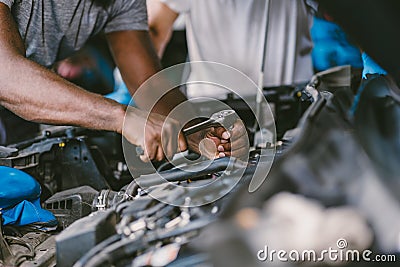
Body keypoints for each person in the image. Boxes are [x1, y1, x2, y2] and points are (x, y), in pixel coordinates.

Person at [0, 0, 245, 162]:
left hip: (17, 111)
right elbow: (6, 76)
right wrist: (122, 117)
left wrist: (192, 125)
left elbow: (149, 85)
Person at [147, 0, 315, 99]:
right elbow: (153, 30)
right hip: (212, 111)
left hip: (292, 103)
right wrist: (151, 98)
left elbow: (154, 29)